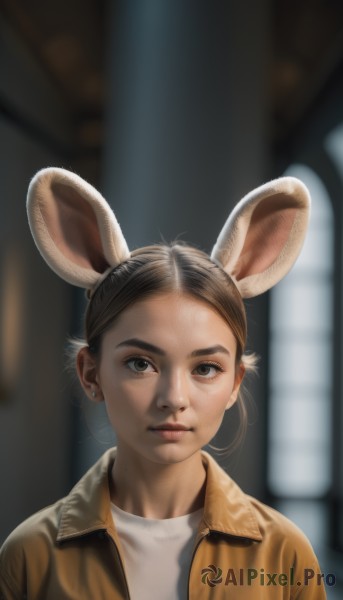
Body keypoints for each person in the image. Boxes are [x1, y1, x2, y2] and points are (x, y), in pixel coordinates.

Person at [0, 168, 327, 599]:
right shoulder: (29, 556)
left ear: (235, 383)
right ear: (90, 373)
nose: (173, 398)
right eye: (140, 363)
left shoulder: (285, 554)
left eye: (205, 368)